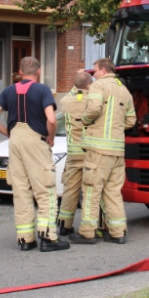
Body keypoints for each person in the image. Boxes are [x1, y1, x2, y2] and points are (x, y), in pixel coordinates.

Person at [0, 57, 69, 252]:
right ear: (38, 72)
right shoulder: (42, 90)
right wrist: (50, 138)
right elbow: (51, 119)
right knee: (45, 189)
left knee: (21, 191)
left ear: (20, 72)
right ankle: (48, 238)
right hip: (36, 142)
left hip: (15, 142)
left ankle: (25, 239)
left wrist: (10, 133)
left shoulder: (8, 90)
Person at [74, 58, 135, 245]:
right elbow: (131, 120)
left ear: (101, 70)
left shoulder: (98, 86)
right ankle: (118, 233)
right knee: (113, 192)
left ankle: (87, 232)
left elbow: (93, 109)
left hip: (99, 149)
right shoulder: (125, 91)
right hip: (117, 150)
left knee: (92, 190)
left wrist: (84, 120)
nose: (93, 74)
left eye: (95, 71)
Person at [56, 70, 93, 236]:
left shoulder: (66, 101)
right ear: (89, 85)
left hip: (72, 153)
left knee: (70, 189)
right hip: (89, 152)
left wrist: (78, 81)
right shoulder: (92, 101)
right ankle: (89, 227)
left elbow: (76, 89)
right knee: (89, 191)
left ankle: (65, 224)